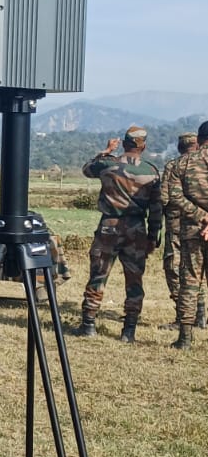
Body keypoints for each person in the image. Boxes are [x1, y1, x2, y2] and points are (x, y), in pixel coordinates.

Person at [76, 126, 162, 343]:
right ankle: (129, 331)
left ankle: (88, 325)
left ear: (124, 144)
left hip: (109, 226)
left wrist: (105, 151)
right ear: (144, 146)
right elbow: (156, 208)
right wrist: (153, 236)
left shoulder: (108, 164)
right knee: (134, 280)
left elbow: (87, 169)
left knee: (98, 275)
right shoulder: (151, 171)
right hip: (136, 229)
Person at [167, 119, 208, 350]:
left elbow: (175, 197)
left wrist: (201, 216)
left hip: (192, 231)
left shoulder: (181, 164)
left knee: (190, 283)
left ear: (199, 140)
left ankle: (184, 338)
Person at [161, 132, 201, 324]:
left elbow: (164, 197)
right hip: (201, 226)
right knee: (199, 272)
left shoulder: (174, 166)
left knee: (178, 271)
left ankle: (183, 318)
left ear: (180, 147)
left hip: (178, 226)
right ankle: (201, 316)